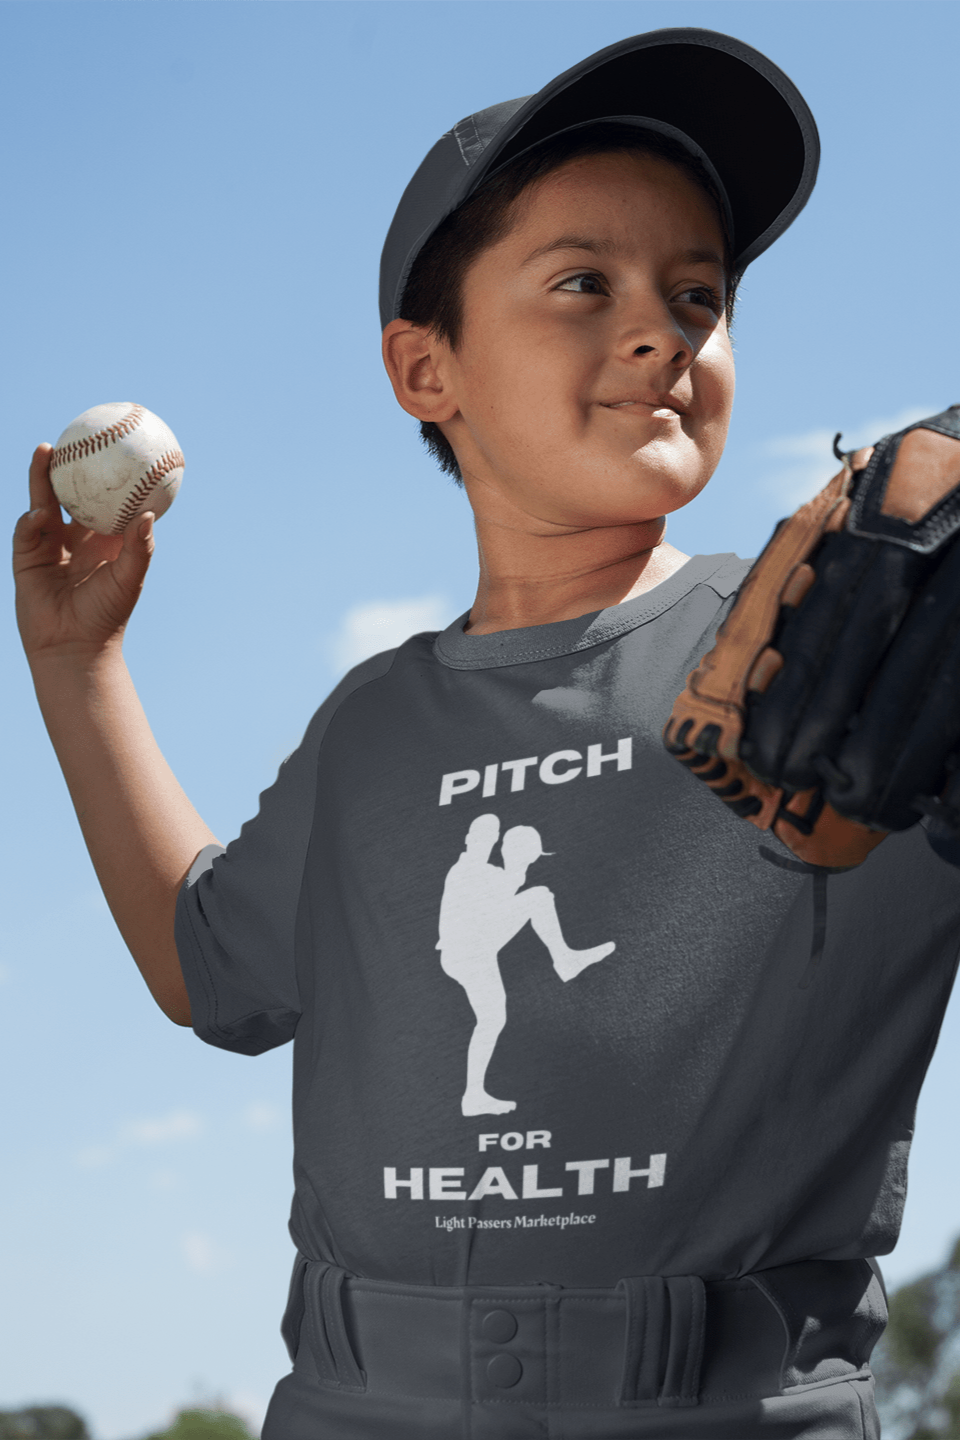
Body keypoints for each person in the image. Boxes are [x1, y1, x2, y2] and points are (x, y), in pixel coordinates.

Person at [14, 26, 960, 1440]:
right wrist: (75, 667)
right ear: (425, 370)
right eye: (583, 282)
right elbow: (209, 970)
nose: (662, 330)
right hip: (350, 1407)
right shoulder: (376, 720)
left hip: (720, 1413)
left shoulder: (842, 633)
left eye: (697, 294)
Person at [437, 814, 615, 1115]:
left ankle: (473, 1096)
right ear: (468, 839)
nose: (486, 840)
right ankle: (565, 960)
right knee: (538, 898)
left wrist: (520, 858)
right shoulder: (466, 869)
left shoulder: (494, 873)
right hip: (464, 949)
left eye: (491, 836)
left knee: (492, 1020)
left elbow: (504, 893)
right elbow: (494, 897)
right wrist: (515, 859)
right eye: (479, 835)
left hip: (477, 951)